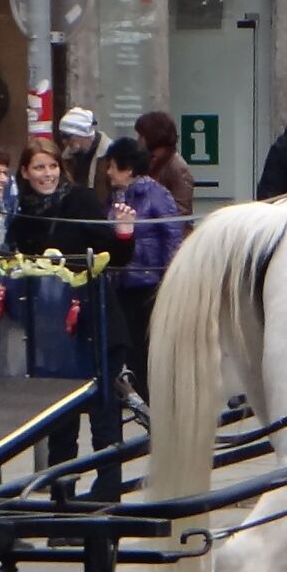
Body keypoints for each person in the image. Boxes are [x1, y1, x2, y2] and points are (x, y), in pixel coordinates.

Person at [98, 136, 187, 397]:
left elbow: (173, 236)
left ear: (128, 168)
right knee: (131, 350)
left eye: (113, 166)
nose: (109, 172)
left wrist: (169, 279)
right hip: (123, 283)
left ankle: (153, 403)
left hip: (149, 284)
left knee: (147, 350)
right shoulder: (115, 197)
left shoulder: (157, 195)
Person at [8, 138, 110, 260]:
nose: (48, 173)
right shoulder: (18, 207)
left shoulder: (82, 200)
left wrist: (125, 233)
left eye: (53, 166)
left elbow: (113, 255)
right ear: (25, 172)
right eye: (39, 167)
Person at [134, 109, 196, 219]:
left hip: (168, 233)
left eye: (141, 136)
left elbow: (182, 212)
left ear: (152, 136)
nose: (138, 140)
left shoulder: (177, 168)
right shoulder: (150, 161)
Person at [57, 106, 102, 190]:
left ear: (82, 134)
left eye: (67, 136)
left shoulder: (109, 154)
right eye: (62, 136)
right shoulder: (66, 157)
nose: (64, 141)